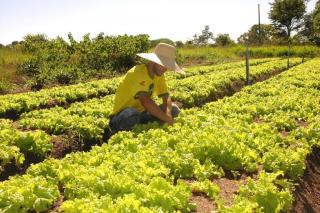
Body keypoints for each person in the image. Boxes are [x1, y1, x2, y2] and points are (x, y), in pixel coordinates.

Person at [109, 43, 185, 133]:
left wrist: (168, 113)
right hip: (122, 117)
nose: (165, 69)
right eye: (163, 64)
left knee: (174, 109)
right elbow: (145, 101)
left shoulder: (159, 75)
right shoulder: (136, 72)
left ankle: (144, 131)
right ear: (153, 61)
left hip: (143, 114)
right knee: (131, 114)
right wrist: (167, 119)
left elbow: (166, 96)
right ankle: (115, 132)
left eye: (167, 66)